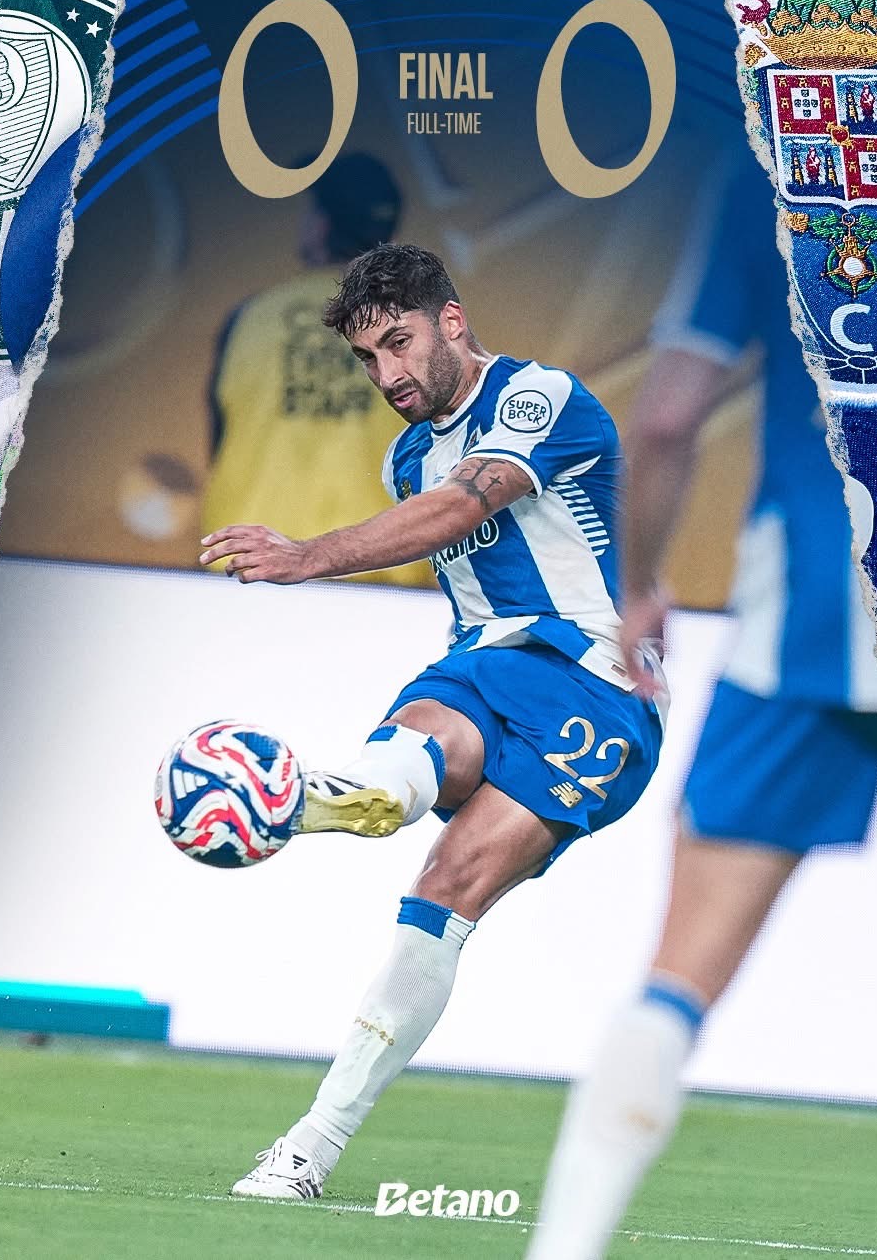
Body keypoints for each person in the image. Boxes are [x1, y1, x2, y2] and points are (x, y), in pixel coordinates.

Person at [199, 242, 668, 1199]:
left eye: (400, 344)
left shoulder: (538, 396)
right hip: (484, 666)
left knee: (447, 886)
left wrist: (307, 555)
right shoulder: (407, 454)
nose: (388, 376)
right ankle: (323, 799)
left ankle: (314, 1141)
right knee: (401, 771)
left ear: (451, 321)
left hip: (596, 683)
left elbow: (462, 509)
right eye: (368, 358)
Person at [525, 147, 877, 1260]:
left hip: (818, 616)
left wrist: (641, 582)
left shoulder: (771, 171)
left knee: (676, 986)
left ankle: (564, 1249)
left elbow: (667, 418)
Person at [202, 152, 433, 587]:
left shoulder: (252, 318)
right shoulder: (422, 330)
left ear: (321, 225)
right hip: (380, 576)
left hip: (250, 566)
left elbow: (219, 439)